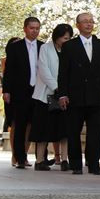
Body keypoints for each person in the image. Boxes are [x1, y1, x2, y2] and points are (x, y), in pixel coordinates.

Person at [57, 12, 100, 175]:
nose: (89, 24)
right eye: (85, 22)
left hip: (96, 95)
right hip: (75, 95)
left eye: (91, 21)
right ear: (78, 25)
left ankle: (93, 164)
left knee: (96, 131)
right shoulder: (69, 46)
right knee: (73, 130)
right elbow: (63, 73)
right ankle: (75, 164)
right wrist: (62, 94)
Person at [31, 23, 73, 171]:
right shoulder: (45, 48)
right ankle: (40, 160)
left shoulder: (70, 51)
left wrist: (64, 91)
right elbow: (44, 71)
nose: (65, 41)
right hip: (45, 95)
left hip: (65, 96)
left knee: (64, 130)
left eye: (68, 38)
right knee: (42, 129)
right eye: (63, 37)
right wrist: (57, 88)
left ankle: (65, 159)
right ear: (57, 36)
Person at [3, 17, 43, 169]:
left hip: (38, 90)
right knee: (19, 125)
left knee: (35, 125)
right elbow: (9, 71)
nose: (35, 31)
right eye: (32, 28)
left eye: (37, 28)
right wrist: (7, 90)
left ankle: (39, 158)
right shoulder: (15, 47)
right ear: (25, 28)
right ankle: (19, 157)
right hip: (20, 91)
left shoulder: (43, 47)